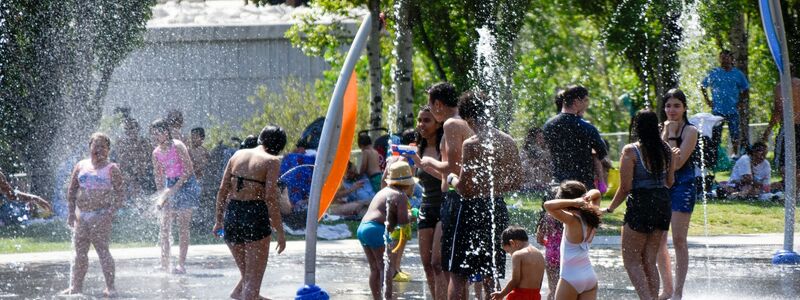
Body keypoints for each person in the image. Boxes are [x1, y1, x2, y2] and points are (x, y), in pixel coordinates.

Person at [446, 91, 523, 300]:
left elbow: (465, 188)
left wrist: (451, 178)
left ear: (469, 118)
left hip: (471, 210)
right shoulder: (507, 141)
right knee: (492, 273)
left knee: (458, 272)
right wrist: (494, 188)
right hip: (496, 207)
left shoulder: (471, 144)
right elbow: (517, 180)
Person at [541, 85, 606, 299]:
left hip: (557, 191)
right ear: (577, 101)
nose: (587, 105)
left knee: (552, 245)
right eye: (585, 101)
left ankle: (553, 290)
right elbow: (602, 151)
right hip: (581, 187)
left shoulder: (549, 126)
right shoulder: (586, 128)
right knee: (578, 241)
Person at [604, 109, 676, 300]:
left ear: (636, 127)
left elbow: (626, 187)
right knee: (649, 260)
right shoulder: (667, 150)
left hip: (641, 205)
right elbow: (670, 182)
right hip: (662, 204)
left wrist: (610, 208)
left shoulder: (631, 151)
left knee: (632, 261)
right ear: (656, 126)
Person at [212, 125, 287, 300]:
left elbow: (222, 190)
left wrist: (218, 221)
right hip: (255, 216)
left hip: (232, 215)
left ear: (261, 138)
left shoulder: (237, 155)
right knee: (252, 284)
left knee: (247, 277)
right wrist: (280, 232)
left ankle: (238, 294)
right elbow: (270, 199)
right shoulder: (272, 161)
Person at [415, 82, 475, 293]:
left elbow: (453, 168)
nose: (430, 111)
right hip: (457, 198)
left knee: (449, 265)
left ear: (438, 104)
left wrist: (426, 162)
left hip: (455, 198)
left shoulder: (451, 124)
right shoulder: (463, 122)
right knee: (450, 265)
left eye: (430, 107)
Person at [59, 133, 124, 297]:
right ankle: (76, 287)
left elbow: (121, 195)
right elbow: (72, 189)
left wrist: (109, 214)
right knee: (80, 252)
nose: (99, 149)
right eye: (96, 145)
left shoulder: (112, 169)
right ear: (90, 147)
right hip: (82, 216)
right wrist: (70, 213)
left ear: (108, 150)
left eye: (103, 146)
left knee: (102, 251)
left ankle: (110, 287)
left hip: (101, 215)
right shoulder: (81, 165)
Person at [656, 89, 699, 300]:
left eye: (676, 106)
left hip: (683, 185)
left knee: (679, 239)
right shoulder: (660, 129)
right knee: (659, 239)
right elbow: (657, 161)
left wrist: (672, 134)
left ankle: (679, 292)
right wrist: (665, 133)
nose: (671, 110)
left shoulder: (690, 131)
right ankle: (668, 288)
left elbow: (678, 163)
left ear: (684, 108)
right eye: (668, 106)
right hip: (663, 187)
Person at [405, 106, 446, 299]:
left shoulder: (444, 146)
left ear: (438, 123)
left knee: (438, 263)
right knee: (427, 264)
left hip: (445, 206)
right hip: (426, 207)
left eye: (427, 120)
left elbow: (448, 177)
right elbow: (411, 183)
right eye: (420, 120)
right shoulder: (418, 148)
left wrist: (421, 164)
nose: (421, 124)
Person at [357, 161, 413, 300]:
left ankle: (377, 298)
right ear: (407, 183)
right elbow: (403, 222)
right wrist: (414, 215)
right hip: (376, 230)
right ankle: (387, 298)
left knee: (374, 268)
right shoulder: (400, 196)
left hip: (363, 227)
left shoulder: (383, 191)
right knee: (385, 268)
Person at [150, 119, 200, 274]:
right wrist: (162, 195)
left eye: (158, 132)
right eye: (153, 133)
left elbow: (189, 170)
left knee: (182, 226)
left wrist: (173, 190)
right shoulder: (156, 152)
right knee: (165, 227)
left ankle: (181, 264)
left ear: (166, 132)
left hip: (186, 184)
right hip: (169, 184)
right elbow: (158, 176)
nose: (155, 136)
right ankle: (164, 263)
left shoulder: (177, 146)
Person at [543, 181, 601, 300]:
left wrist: (574, 202)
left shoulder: (572, 220)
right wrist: (585, 198)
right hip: (589, 277)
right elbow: (597, 193)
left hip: (570, 278)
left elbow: (548, 205)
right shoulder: (592, 216)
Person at [701, 49, 750, 157]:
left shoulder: (737, 74)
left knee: (735, 134)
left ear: (732, 59)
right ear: (719, 59)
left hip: (733, 109)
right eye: (722, 57)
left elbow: (745, 88)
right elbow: (703, 86)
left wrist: (741, 102)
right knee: (715, 135)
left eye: (727, 57)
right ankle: (715, 156)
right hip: (718, 110)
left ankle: (735, 155)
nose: (725, 60)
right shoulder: (714, 73)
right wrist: (707, 100)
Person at [762, 64, 800, 181]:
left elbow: (778, 111)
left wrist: (767, 132)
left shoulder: (781, 87)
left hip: (789, 128)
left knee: (784, 163)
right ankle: (797, 193)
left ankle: (791, 193)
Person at [491, 226, 545, 300]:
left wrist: (501, 294)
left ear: (512, 243)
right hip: (535, 295)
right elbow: (540, 281)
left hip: (519, 295)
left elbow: (515, 280)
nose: (510, 254)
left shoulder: (518, 255)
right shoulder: (539, 254)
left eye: (508, 251)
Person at [114, 119, 156, 199]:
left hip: (145, 179)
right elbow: (118, 163)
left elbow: (150, 161)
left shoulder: (145, 143)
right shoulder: (121, 144)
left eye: (132, 128)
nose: (129, 131)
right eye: (127, 129)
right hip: (127, 180)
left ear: (138, 129)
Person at [521, 126, 553, 193]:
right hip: (529, 184)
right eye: (539, 137)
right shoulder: (525, 151)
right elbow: (523, 167)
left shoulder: (546, 150)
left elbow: (550, 166)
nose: (542, 139)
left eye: (543, 137)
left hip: (544, 183)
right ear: (533, 138)